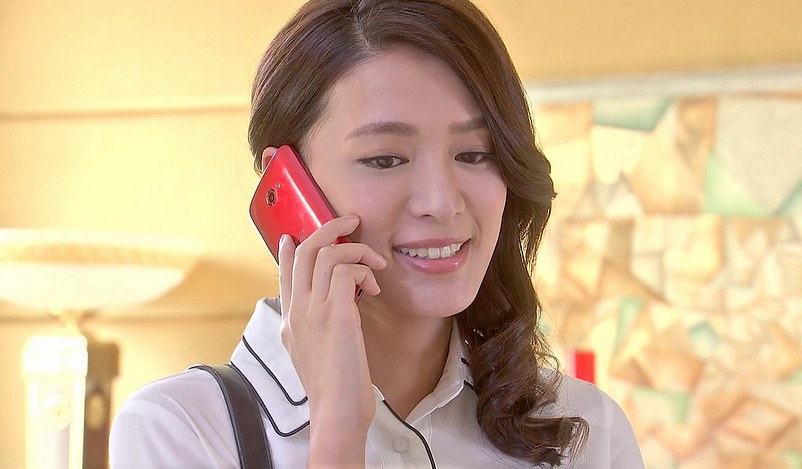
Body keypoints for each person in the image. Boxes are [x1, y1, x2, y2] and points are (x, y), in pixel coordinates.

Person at [109, 0, 645, 467]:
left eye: (475, 154)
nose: (441, 202)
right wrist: (338, 425)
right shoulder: (181, 429)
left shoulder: (585, 431)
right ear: (287, 182)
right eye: (385, 159)